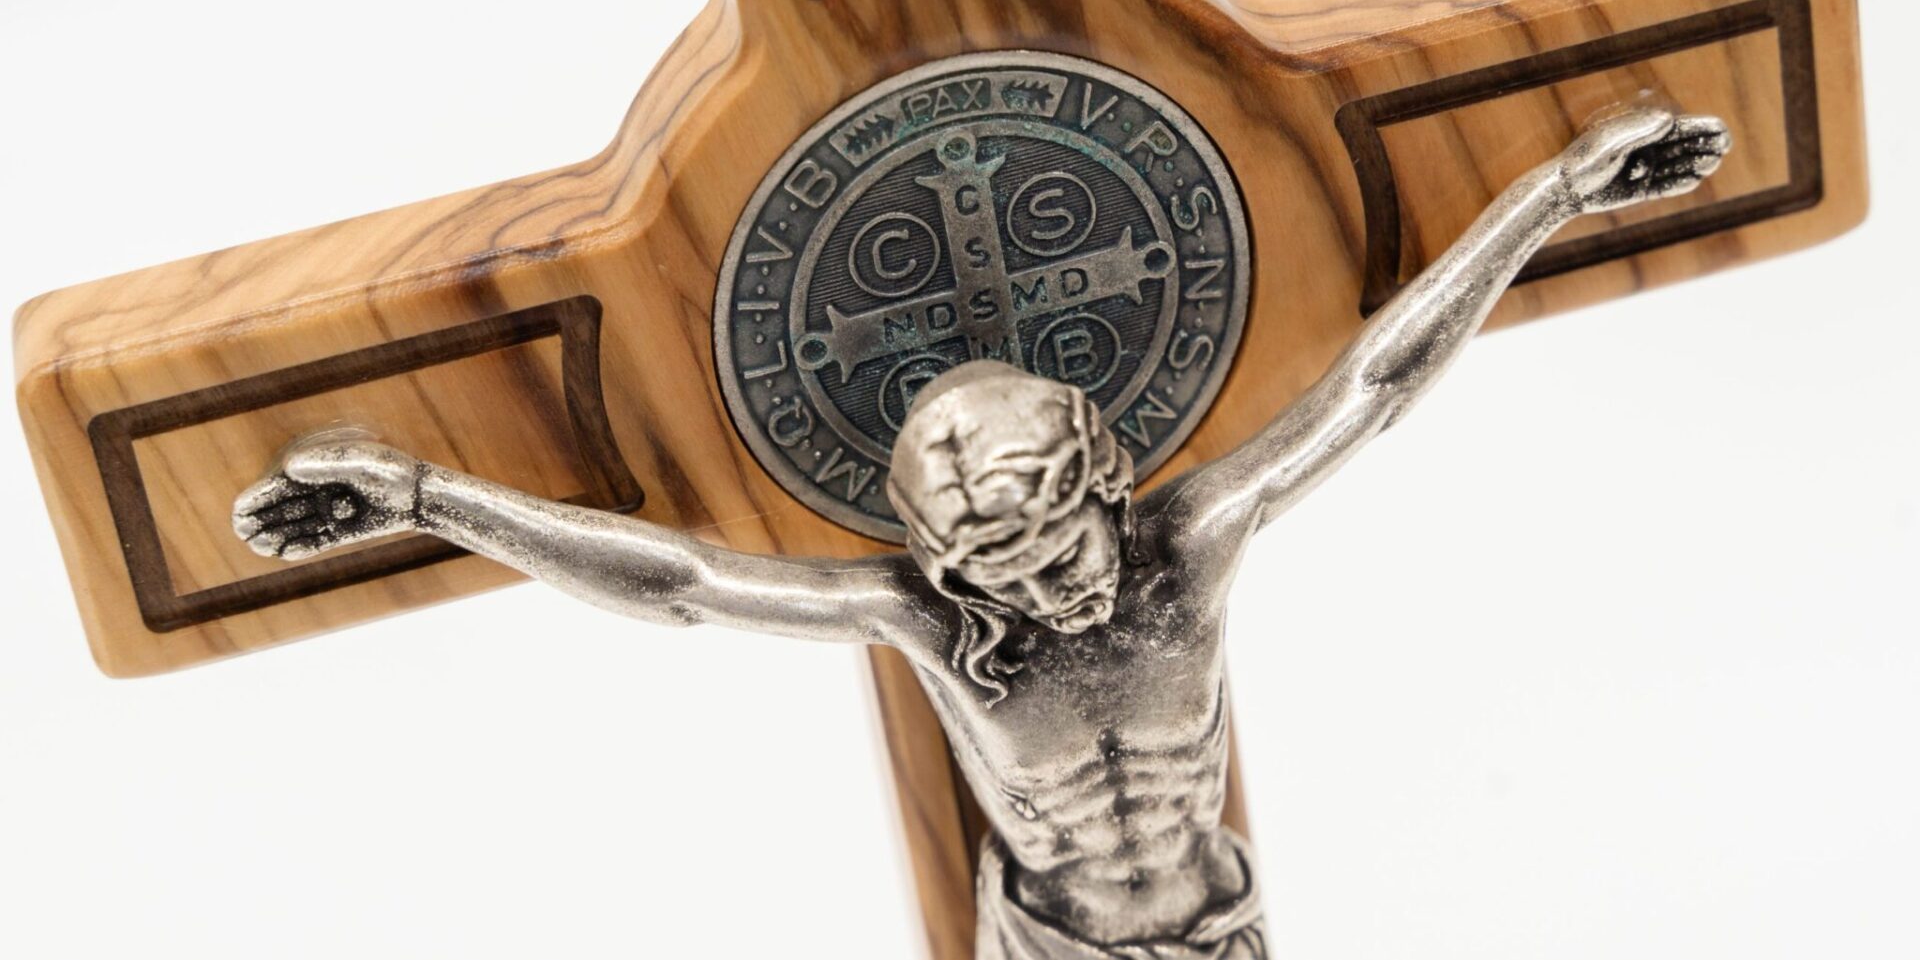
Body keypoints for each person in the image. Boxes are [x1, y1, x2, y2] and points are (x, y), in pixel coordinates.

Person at [236, 104, 1728, 958]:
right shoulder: (934, 628)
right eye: (1005, 577)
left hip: (1223, 926)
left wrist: (1553, 194)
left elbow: (1373, 386)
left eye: (1066, 552)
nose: (1057, 595)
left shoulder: (1191, 543)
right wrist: (428, 497)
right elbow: (680, 582)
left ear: (1106, 484)